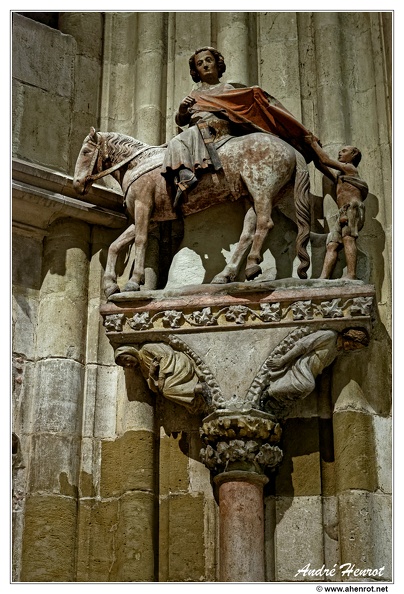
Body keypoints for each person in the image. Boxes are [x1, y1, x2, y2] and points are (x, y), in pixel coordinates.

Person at [162, 46, 317, 207]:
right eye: (200, 64)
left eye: (209, 60)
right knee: (180, 139)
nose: (205, 65)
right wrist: (182, 110)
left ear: (217, 64)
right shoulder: (194, 94)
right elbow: (181, 121)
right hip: (195, 133)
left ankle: (185, 175)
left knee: (177, 141)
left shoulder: (226, 89)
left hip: (217, 133)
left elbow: (238, 112)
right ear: (196, 71)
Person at [305, 135, 369, 280]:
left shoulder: (350, 169)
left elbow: (326, 160)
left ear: (353, 155)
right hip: (342, 212)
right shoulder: (341, 176)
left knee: (348, 239)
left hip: (352, 209)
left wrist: (313, 143)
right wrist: (312, 151)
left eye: (344, 151)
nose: (340, 153)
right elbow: (321, 165)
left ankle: (351, 275)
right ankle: (324, 277)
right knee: (332, 244)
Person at [114, 343, 210, 413]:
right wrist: (151, 372)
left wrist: (161, 377)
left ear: (130, 352)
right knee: (166, 391)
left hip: (178, 364)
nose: (128, 364)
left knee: (167, 389)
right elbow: (153, 387)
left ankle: (201, 388)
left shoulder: (146, 349)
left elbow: (166, 354)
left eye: (126, 359)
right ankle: (199, 397)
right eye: (124, 365)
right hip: (171, 374)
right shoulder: (143, 368)